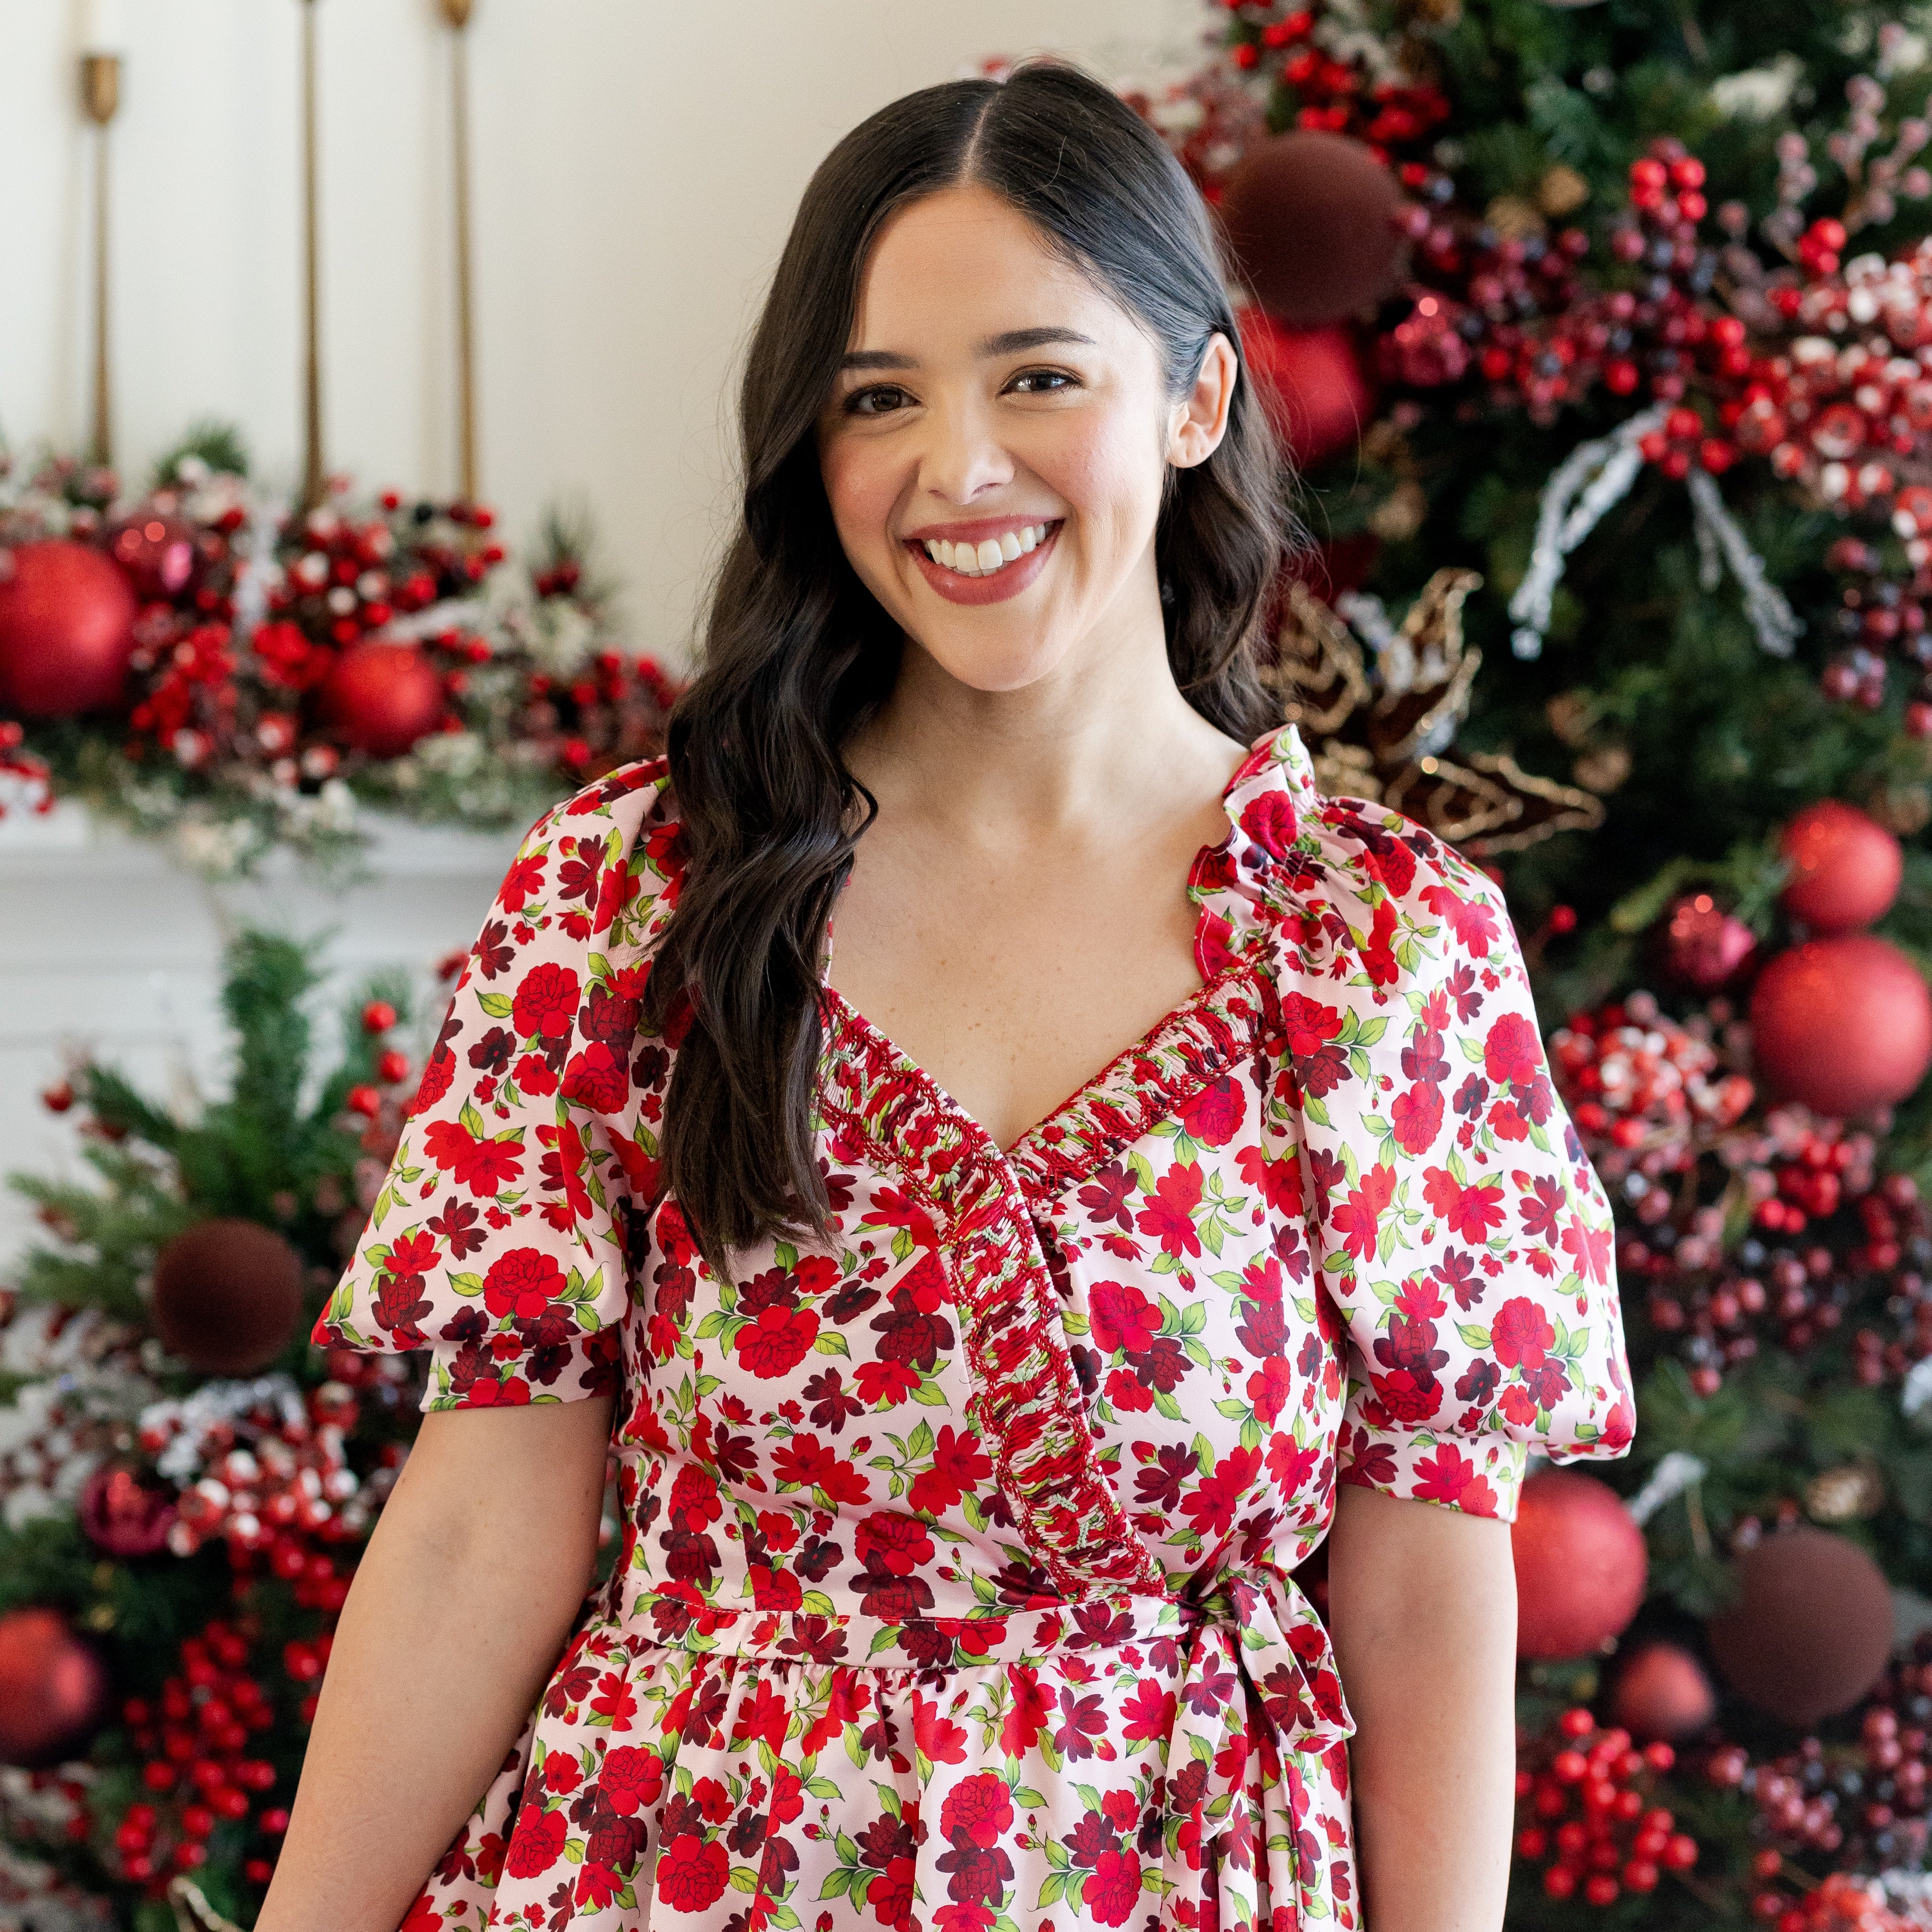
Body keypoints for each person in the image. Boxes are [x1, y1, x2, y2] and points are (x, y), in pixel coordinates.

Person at [262, 57, 1633, 1932]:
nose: (957, 468)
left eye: (1036, 376)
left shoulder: (1383, 945)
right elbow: (478, 1523)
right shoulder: (629, 893)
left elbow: (1423, 1586)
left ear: (1195, 395)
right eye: (877, 397)